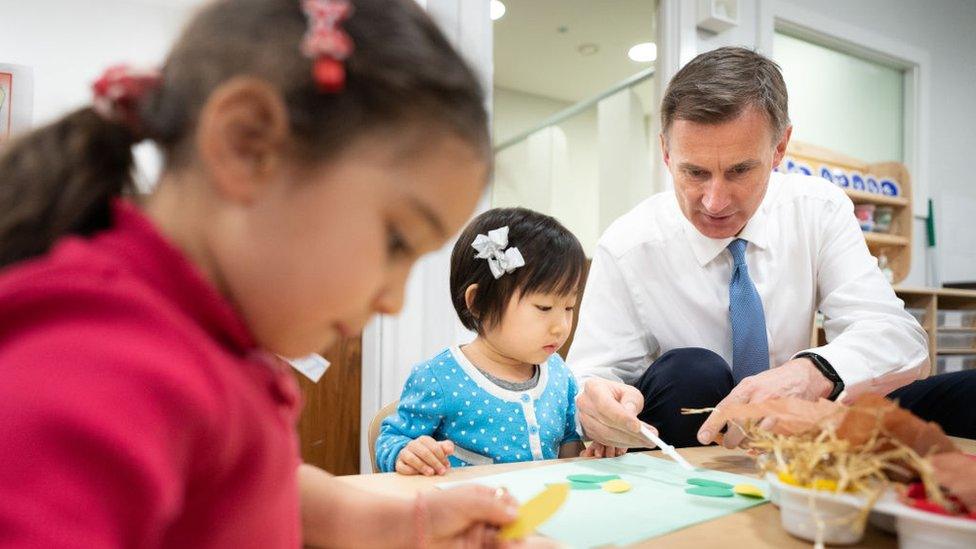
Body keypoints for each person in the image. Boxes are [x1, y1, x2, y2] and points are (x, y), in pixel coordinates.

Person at [0, 0, 528, 546]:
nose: (393, 301)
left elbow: (263, 484)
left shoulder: (195, 338)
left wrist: (408, 524)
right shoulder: (105, 362)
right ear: (247, 145)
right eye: (396, 240)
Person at [568, 46, 976, 454]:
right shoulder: (627, 245)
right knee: (694, 371)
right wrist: (596, 401)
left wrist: (812, 371)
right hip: (681, 433)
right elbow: (589, 376)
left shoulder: (819, 209)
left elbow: (900, 339)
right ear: (666, 151)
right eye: (694, 172)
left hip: (801, 430)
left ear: (780, 148)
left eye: (740, 170)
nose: (714, 201)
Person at [376, 207, 608, 475]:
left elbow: (567, 442)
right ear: (478, 304)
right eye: (544, 308)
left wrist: (590, 456)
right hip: (469, 513)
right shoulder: (439, 378)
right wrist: (406, 453)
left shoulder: (559, 374)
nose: (561, 326)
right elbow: (392, 440)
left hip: (543, 512)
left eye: (568, 307)